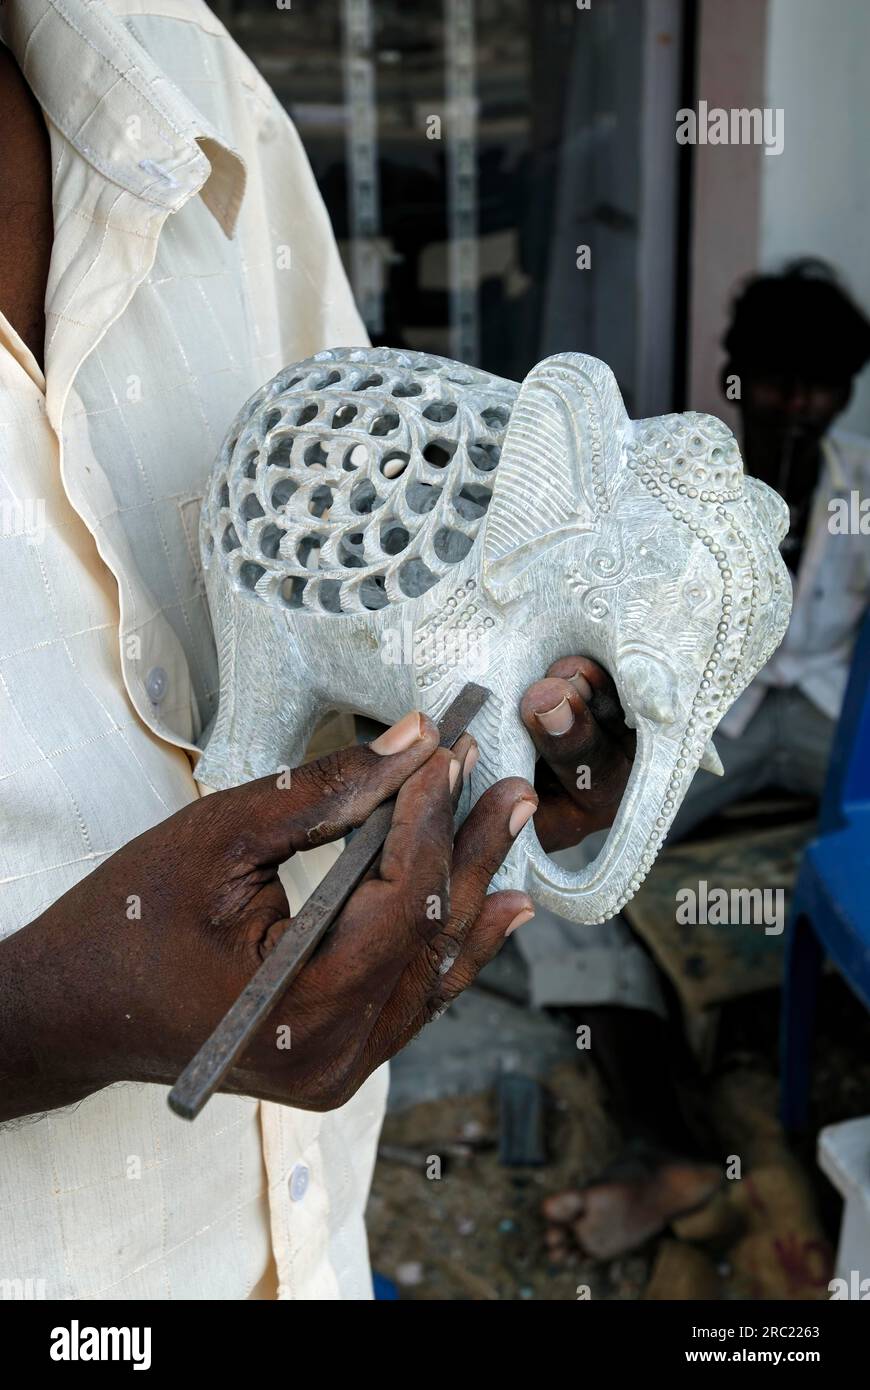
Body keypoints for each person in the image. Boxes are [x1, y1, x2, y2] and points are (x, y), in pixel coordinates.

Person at [0, 0, 628, 1301]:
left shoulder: (176, 68)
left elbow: (367, 572)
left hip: (316, 1248)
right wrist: (38, 1019)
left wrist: (514, 711)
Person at [538, 260, 870, 1262]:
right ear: (736, 378)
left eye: (822, 388)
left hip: (818, 724)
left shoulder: (864, 485)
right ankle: (664, 1128)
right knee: (566, 876)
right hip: (713, 732)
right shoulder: (674, 483)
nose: (799, 408)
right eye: (777, 383)